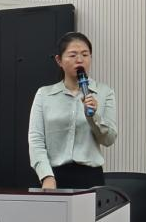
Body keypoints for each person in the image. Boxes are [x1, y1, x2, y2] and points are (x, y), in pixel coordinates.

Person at [27, 32, 118, 189]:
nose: (80, 60)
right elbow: (36, 140)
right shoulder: (44, 94)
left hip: (90, 178)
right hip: (53, 176)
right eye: (73, 55)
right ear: (59, 60)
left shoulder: (105, 93)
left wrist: (93, 116)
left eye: (85, 54)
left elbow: (108, 140)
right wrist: (46, 176)